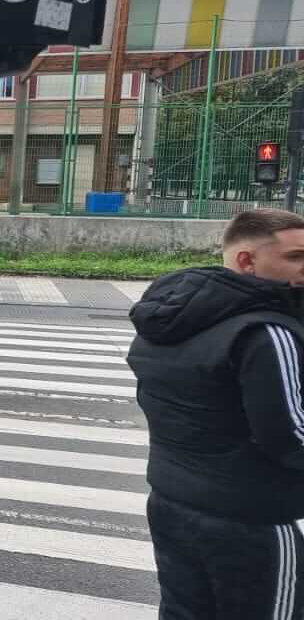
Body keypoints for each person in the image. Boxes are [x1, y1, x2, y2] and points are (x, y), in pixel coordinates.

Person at [127, 208, 304, 619]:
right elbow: (291, 436)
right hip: (251, 518)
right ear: (247, 261)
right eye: (297, 257)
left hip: (171, 501)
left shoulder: (169, 317)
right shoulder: (265, 331)